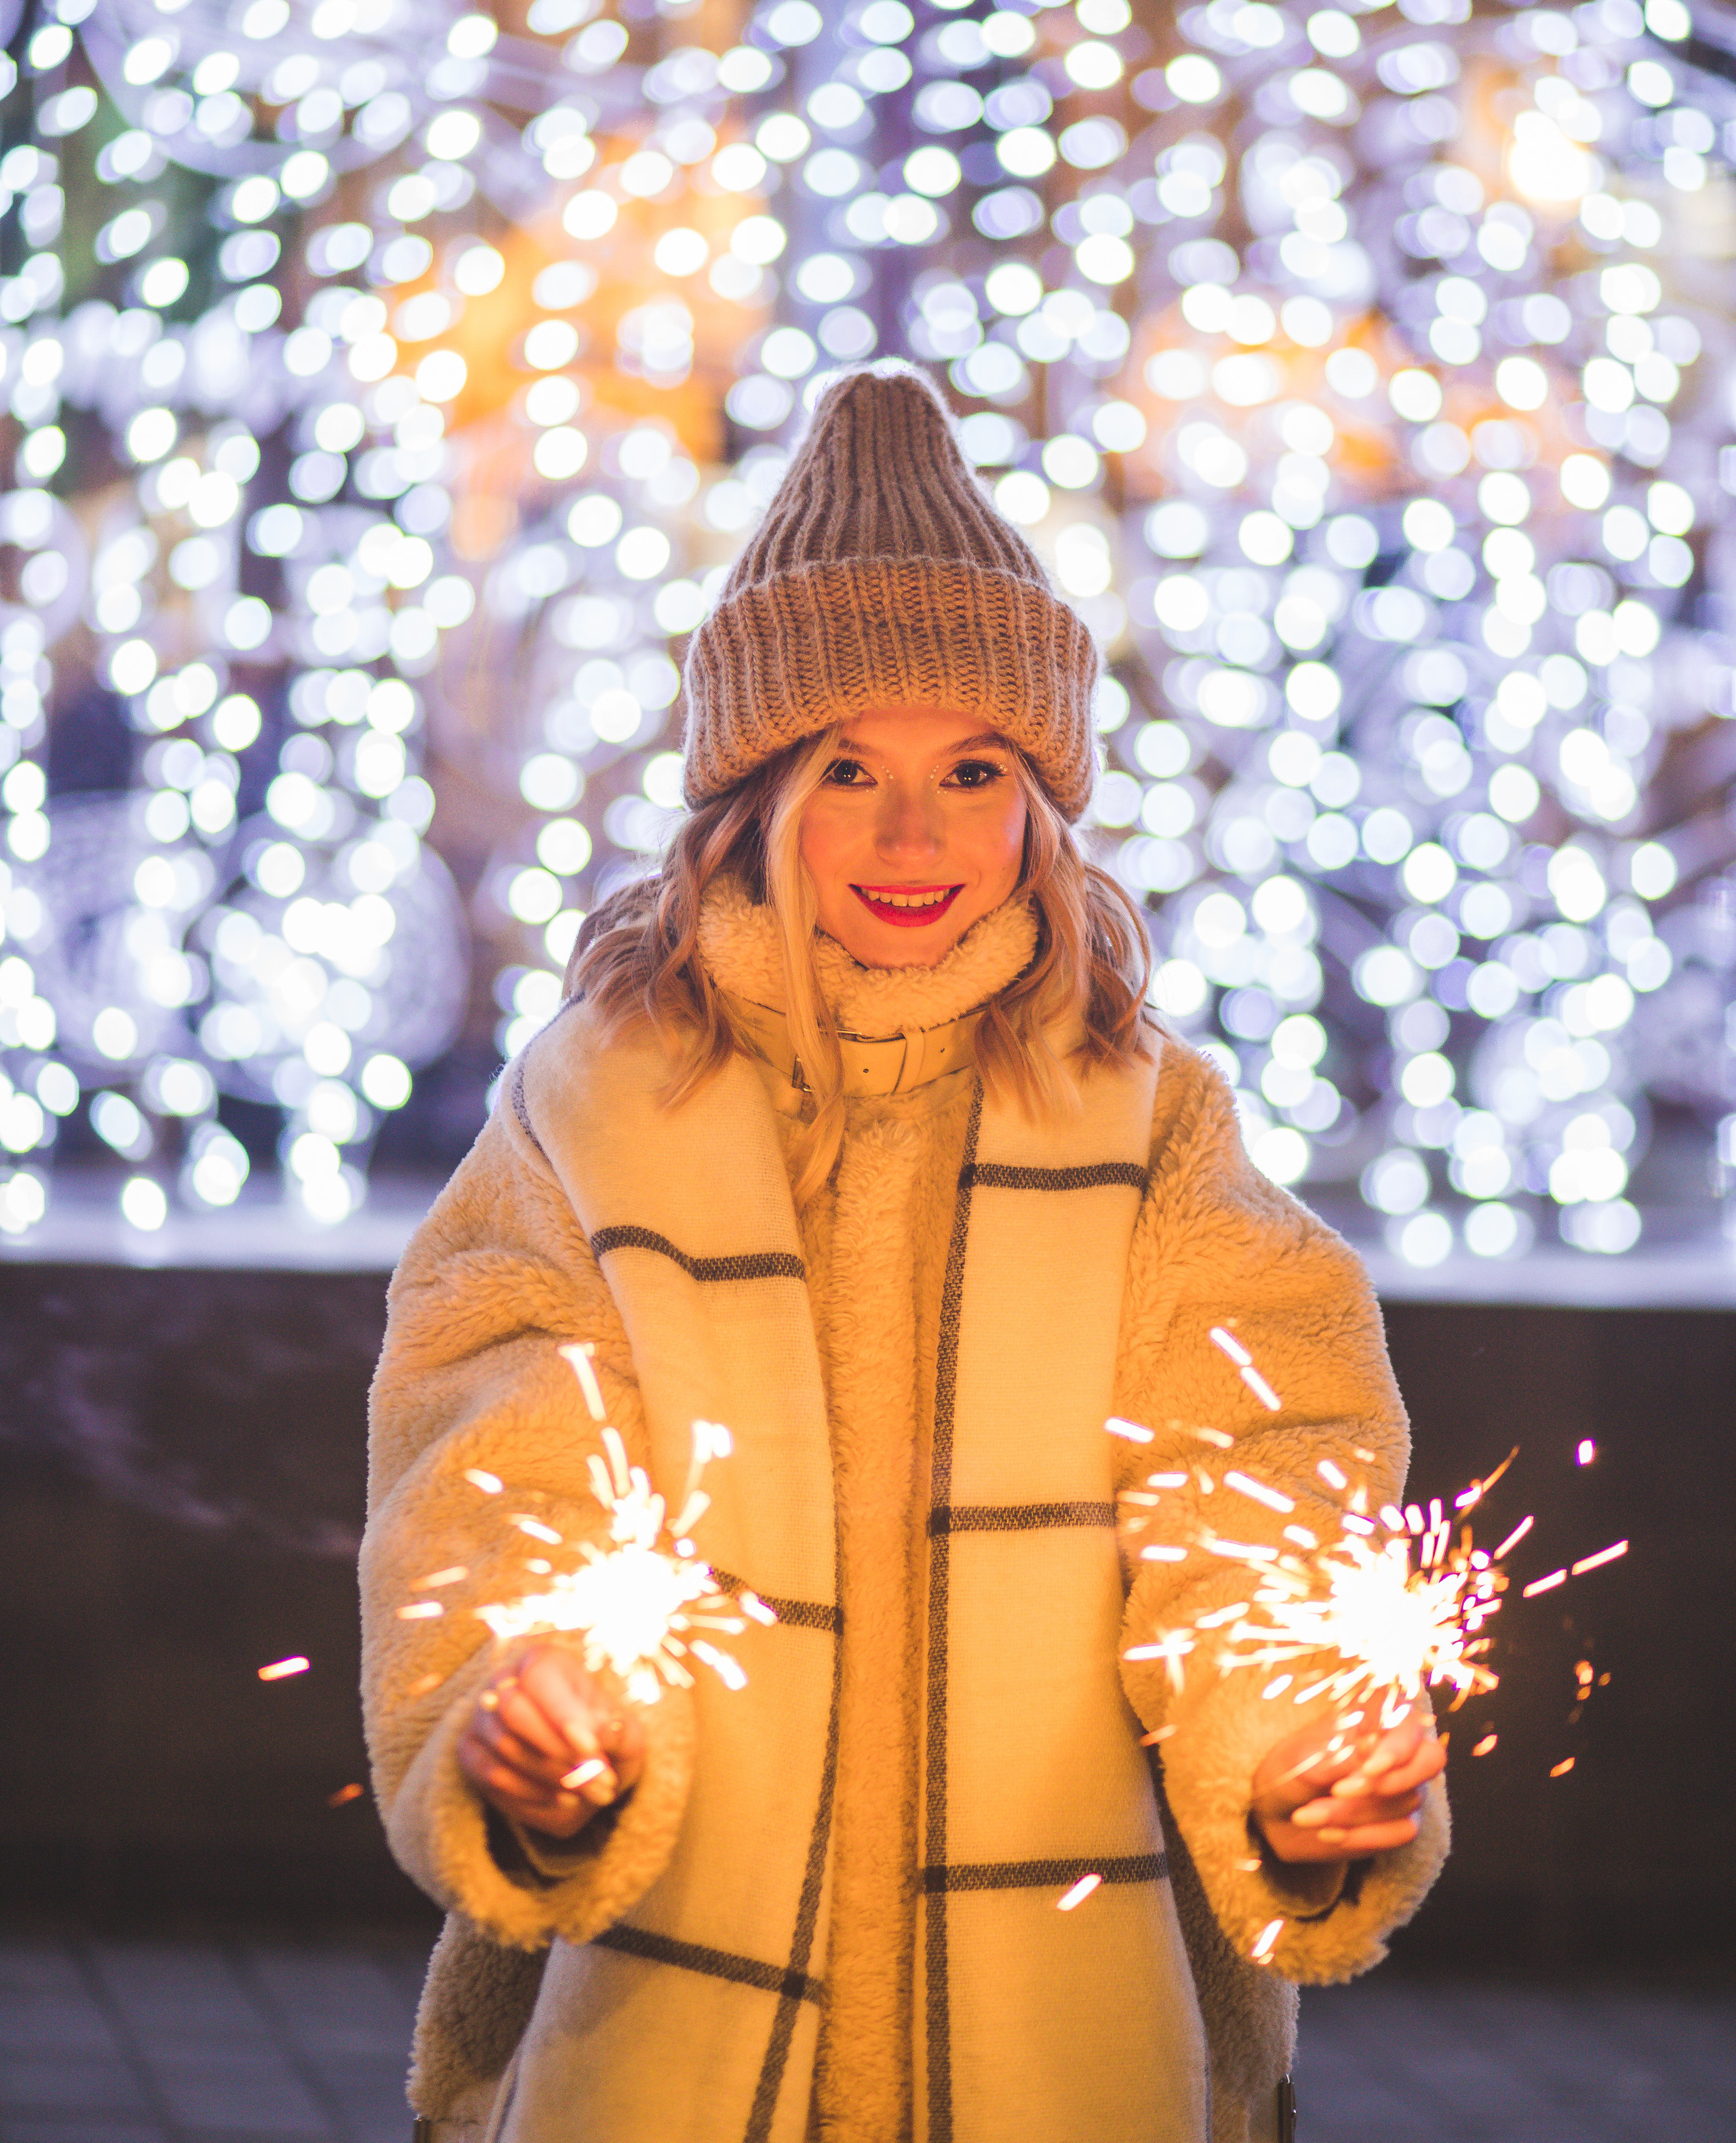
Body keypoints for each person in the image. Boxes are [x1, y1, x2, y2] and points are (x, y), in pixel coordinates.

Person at [361, 366, 1448, 2143]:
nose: (915, 831)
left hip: (1068, 2047)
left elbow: (1261, 1491)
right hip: (653, 2040)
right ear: (750, 788)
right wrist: (528, 1716)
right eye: (848, 766)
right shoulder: (592, 1119)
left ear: (1044, 799)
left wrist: (1300, 1748)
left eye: (975, 769)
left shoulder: (1151, 1132)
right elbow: (497, 1478)